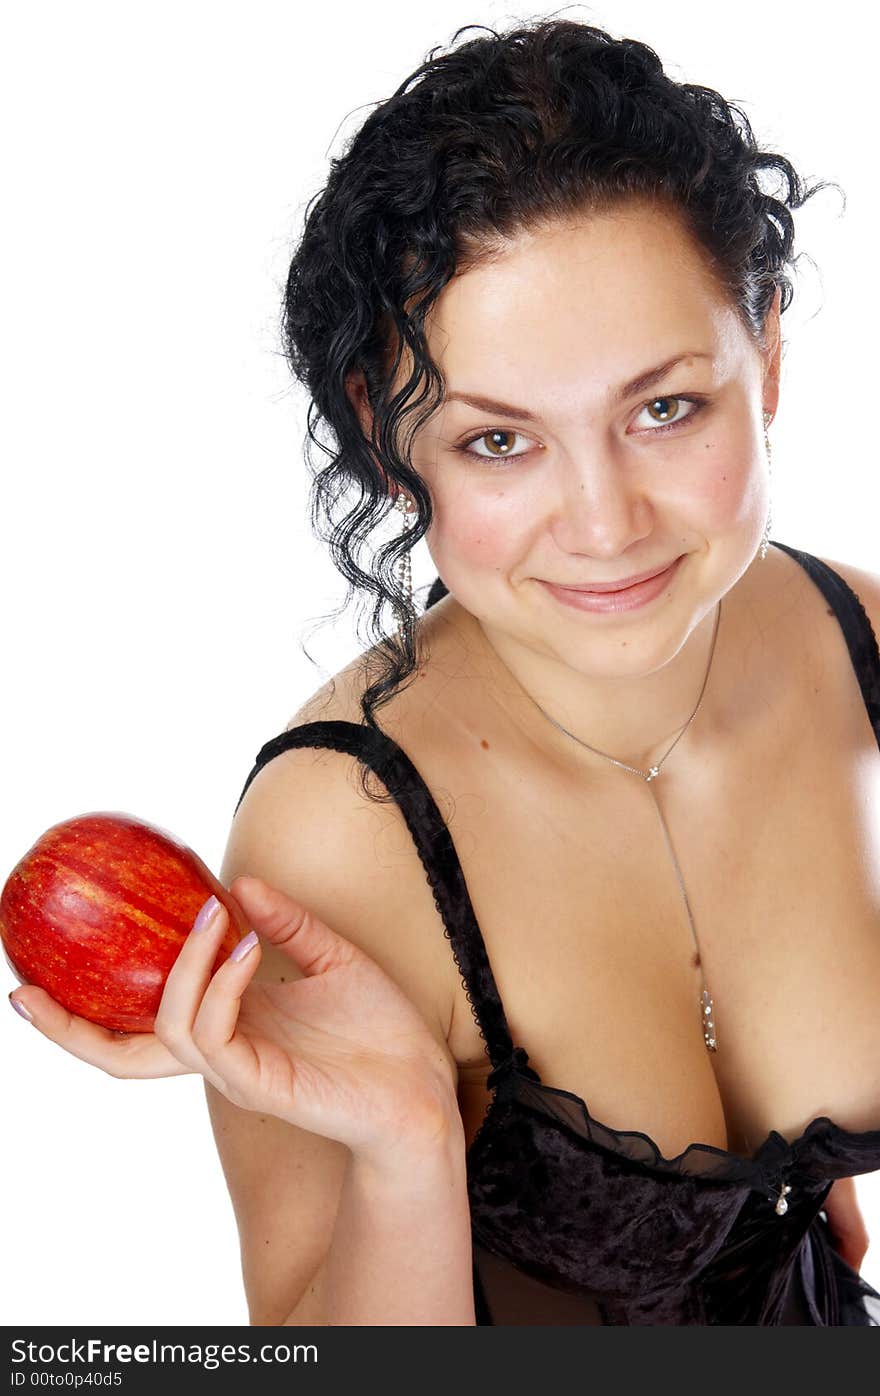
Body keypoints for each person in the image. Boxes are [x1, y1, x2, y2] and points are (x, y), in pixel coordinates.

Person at [9, 16, 880, 1325]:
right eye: (497, 443)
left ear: (766, 347)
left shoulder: (857, 643)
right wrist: (408, 1149)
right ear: (386, 433)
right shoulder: (344, 836)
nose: (604, 523)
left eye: (665, 408)